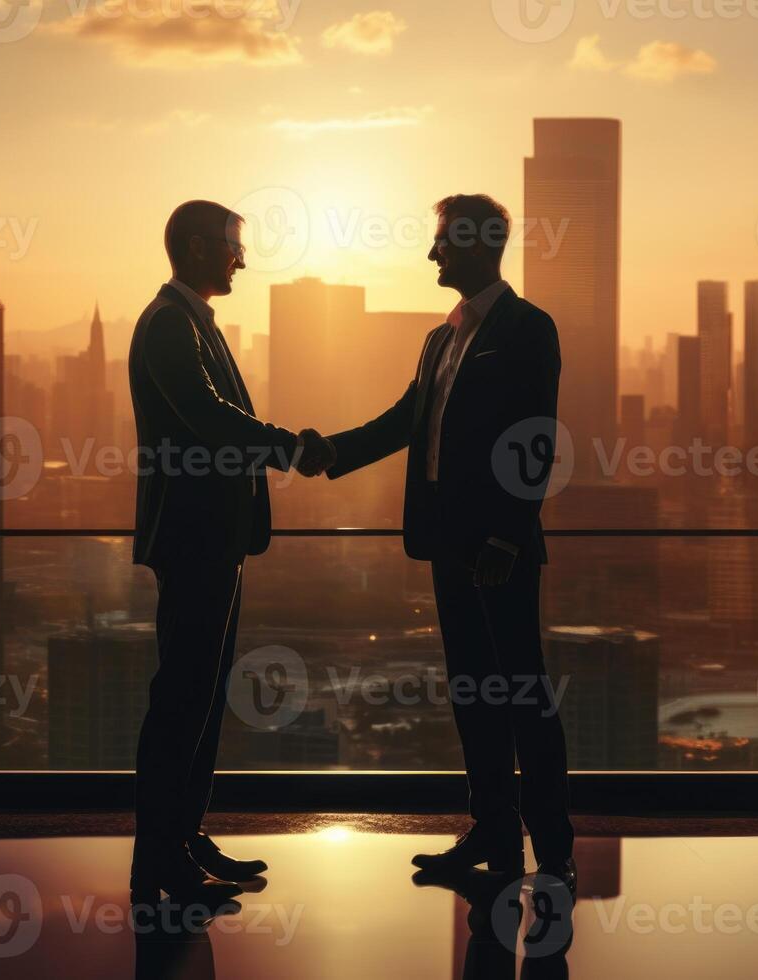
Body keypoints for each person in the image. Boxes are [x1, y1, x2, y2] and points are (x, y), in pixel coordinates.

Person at [311, 194, 575, 891]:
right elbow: (407, 419)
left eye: (443, 244)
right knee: (474, 696)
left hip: (497, 550)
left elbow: (535, 441)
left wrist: (509, 538)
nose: (431, 255)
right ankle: (492, 836)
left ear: (480, 245)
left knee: (522, 694)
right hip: (448, 546)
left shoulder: (527, 328)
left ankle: (554, 849)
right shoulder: (441, 338)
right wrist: (328, 452)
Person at [127, 200, 335, 907]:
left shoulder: (189, 323)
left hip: (212, 537)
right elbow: (207, 417)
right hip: (192, 538)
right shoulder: (167, 326)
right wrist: (288, 448)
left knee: (203, 696)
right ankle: (160, 854)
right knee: (182, 696)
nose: (241, 259)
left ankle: (183, 837)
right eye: (231, 247)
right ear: (194, 247)